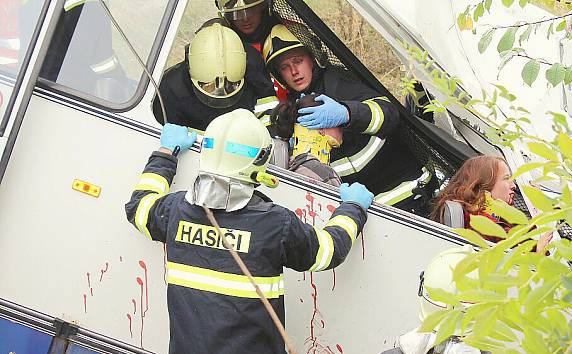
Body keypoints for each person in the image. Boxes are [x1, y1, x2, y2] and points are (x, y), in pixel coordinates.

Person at [125, 109, 374, 353]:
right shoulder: (275, 225)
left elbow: (139, 207)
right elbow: (327, 251)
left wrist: (166, 152)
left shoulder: (175, 211)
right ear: (259, 164)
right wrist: (353, 207)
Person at [263, 24, 431, 214]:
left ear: (312, 58)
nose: (294, 71)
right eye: (285, 67)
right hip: (361, 211)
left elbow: (390, 114)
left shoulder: (339, 82)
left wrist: (347, 114)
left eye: (298, 60)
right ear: (279, 75)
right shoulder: (292, 109)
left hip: (404, 193)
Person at [152, 20, 277, 132]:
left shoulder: (252, 63)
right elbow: (168, 135)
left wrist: (268, 133)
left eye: (232, 85)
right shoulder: (171, 88)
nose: (220, 90)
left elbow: (267, 103)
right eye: (208, 86)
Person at [431, 155, 553, 252]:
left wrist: (537, 208)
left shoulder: (501, 223)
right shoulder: (476, 224)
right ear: (483, 185)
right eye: (506, 178)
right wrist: (538, 255)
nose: (513, 186)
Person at [215, 0, 289, 101]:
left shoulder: (290, 32)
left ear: (263, 8)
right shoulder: (221, 48)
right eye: (237, 13)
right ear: (227, 16)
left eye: (251, 10)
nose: (245, 19)